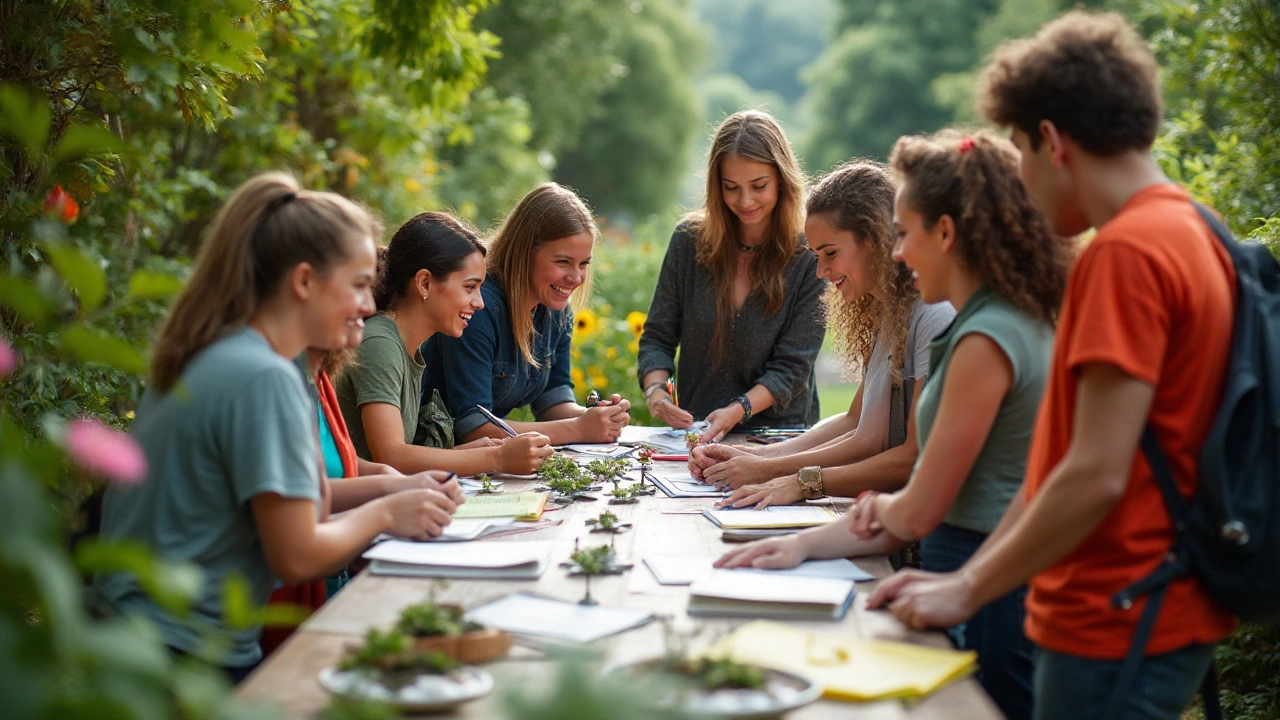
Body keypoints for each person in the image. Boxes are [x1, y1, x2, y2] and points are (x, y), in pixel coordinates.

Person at [867, 13, 1238, 720]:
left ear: (1053, 141)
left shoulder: (1125, 252)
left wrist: (968, 588)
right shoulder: (1195, 225)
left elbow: (1092, 473)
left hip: (1110, 615)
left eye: (1020, 151)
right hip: (1166, 603)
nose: (1021, 183)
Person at [720, 130, 1070, 720]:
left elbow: (917, 498)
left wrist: (803, 506)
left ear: (946, 233)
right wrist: (803, 539)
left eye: (903, 235)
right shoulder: (992, 323)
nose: (898, 253)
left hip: (986, 584)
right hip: (973, 573)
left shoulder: (982, 337)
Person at [94, 173, 462, 682]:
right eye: (357, 285)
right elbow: (297, 553)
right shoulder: (263, 377)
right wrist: (388, 511)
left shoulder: (231, 353)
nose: (369, 305)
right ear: (304, 281)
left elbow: (281, 501)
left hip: (136, 639)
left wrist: (393, 489)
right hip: (177, 657)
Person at [692, 161, 955, 509]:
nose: (820, 271)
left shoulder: (933, 314)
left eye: (830, 253)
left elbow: (908, 457)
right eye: (816, 255)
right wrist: (758, 457)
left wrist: (784, 475)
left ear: (877, 240)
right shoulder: (889, 312)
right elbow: (857, 424)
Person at [637, 110, 826, 442]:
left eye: (759, 186)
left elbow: (793, 368)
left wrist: (738, 410)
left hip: (782, 437)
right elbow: (658, 336)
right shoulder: (688, 242)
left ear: (782, 179)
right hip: (698, 436)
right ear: (716, 185)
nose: (745, 200)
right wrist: (657, 392)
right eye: (731, 187)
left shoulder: (809, 254)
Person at [336, 212, 553, 475]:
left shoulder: (409, 346)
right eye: (470, 287)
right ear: (425, 283)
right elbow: (391, 456)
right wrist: (497, 458)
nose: (479, 302)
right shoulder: (380, 342)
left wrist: (462, 455)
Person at [422, 183, 630, 445]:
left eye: (584, 263)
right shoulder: (478, 307)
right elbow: (473, 426)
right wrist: (578, 429)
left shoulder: (557, 310)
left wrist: (598, 418)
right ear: (524, 253)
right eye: (563, 262)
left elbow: (553, 400)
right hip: (438, 455)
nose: (575, 277)